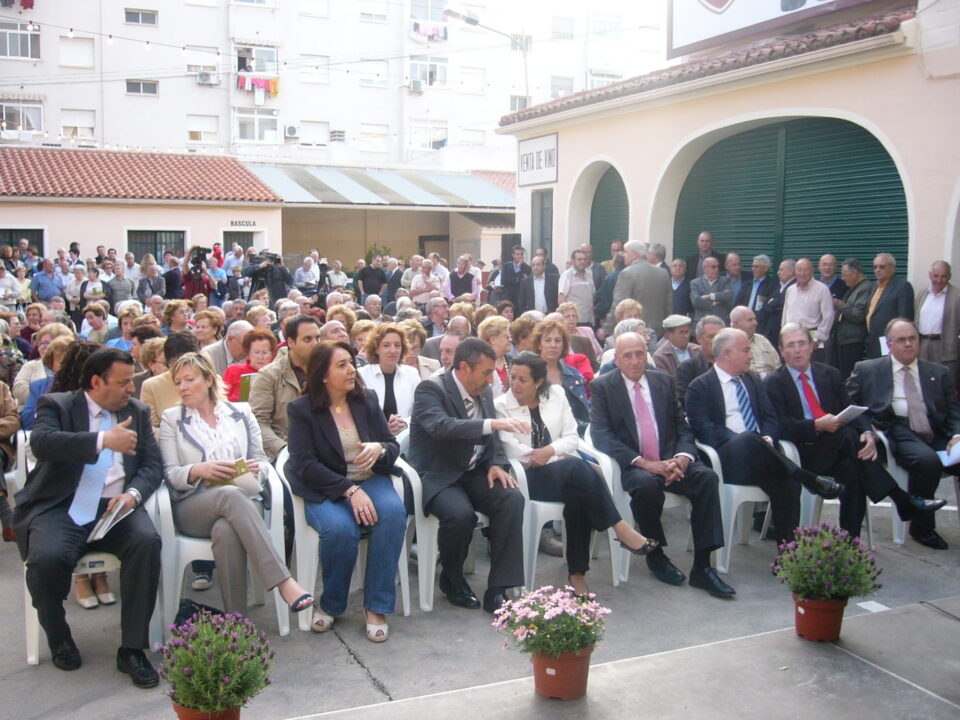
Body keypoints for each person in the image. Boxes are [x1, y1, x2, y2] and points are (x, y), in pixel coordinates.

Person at [14, 348, 162, 686]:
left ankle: (133, 649)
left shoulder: (137, 411)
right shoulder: (59, 405)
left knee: (147, 542)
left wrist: (133, 495)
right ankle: (59, 636)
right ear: (97, 381)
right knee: (46, 559)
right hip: (63, 506)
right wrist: (103, 440)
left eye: (132, 382)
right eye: (123, 382)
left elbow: (153, 466)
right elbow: (43, 443)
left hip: (116, 507)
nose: (131, 389)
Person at [158, 352, 314, 618]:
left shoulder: (240, 413)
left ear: (209, 380)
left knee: (226, 530)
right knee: (228, 495)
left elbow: (263, 462)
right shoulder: (172, 419)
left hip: (243, 503)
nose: (182, 387)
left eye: (189, 379)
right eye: (178, 381)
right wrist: (198, 470)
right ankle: (283, 581)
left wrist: (255, 470)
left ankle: (236, 623)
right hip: (193, 505)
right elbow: (170, 474)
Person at [495, 351, 656, 595]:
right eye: (513, 377)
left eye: (522, 380)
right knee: (580, 470)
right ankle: (620, 529)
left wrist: (549, 450)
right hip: (529, 476)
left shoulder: (556, 395)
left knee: (579, 493)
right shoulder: (501, 406)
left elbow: (572, 437)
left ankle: (577, 574)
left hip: (563, 470)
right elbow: (509, 447)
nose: (514, 384)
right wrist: (540, 455)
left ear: (538, 381)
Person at [765, 323, 945, 538]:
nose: (797, 350)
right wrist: (815, 425)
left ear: (812, 346)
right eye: (790, 345)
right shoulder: (773, 383)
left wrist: (868, 433)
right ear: (781, 350)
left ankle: (850, 541)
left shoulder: (829, 374)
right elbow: (779, 426)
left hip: (840, 448)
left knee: (852, 468)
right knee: (849, 438)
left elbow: (852, 409)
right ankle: (901, 499)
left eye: (802, 343)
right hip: (804, 452)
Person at [590, 333, 733, 597]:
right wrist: (645, 464)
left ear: (648, 354)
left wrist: (682, 457)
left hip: (671, 459)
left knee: (707, 479)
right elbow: (601, 435)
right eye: (627, 355)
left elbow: (683, 426)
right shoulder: (603, 387)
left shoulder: (664, 382)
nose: (635, 361)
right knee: (646, 487)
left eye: (640, 354)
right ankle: (655, 554)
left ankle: (703, 566)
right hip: (635, 465)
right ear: (617, 359)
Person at [285, 341, 406, 641]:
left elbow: (392, 447)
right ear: (322, 375)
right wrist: (349, 491)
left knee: (392, 514)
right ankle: (331, 604)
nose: (352, 369)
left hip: (370, 479)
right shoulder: (302, 410)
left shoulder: (367, 400)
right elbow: (304, 464)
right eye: (342, 365)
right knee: (340, 529)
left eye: (351, 362)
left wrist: (380, 447)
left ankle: (377, 606)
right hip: (326, 486)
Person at [685, 328, 844, 545]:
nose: (751, 356)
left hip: (765, 459)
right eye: (746, 350)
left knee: (788, 484)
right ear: (728, 353)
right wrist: (747, 440)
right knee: (749, 438)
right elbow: (705, 430)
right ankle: (807, 477)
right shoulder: (700, 386)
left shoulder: (753, 380)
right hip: (728, 460)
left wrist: (767, 438)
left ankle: (787, 554)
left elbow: (771, 418)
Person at [408, 338, 526, 613]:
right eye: (486, 372)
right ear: (464, 367)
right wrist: (492, 423)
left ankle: (498, 589)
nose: (491, 378)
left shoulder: (483, 390)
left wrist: (496, 462)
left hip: (474, 470)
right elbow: (443, 426)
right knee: (460, 515)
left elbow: (492, 437)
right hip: (439, 474)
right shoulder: (430, 388)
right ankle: (452, 578)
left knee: (511, 499)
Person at [846, 319, 960, 549]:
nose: (908, 344)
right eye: (901, 340)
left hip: (935, 431)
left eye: (912, 339)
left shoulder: (938, 372)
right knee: (927, 461)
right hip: (898, 429)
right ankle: (922, 526)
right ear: (889, 345)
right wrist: (869, 430)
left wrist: (957, 434)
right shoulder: (868, 369)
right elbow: (847, 404)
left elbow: (953, 409)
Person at [250, 315, 322, 461]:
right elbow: (258, 422)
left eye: (318, 338)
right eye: (308, 339)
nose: (315, 344)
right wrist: (284, 450)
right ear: (290, 342)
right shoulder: (269, 375)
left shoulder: (327, 370)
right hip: (286, 451)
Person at [358, 323, 420, 435]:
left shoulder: (412, 374)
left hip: (405, 437)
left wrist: (404, 423)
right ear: (376, 349)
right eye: (386, 345)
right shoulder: (362, 375)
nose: (393, 350)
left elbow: (420, 409)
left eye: (397, 345)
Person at [532, 318, 591, 429]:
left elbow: (585, 409)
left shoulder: (574, 375)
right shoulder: (529, 374)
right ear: (539, 345)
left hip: (577, 431)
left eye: (558, 340)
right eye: (548, 340)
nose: (553, 345)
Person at [608, 240, 672, 336]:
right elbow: (669, 305)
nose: (622, 254)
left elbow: (619, 304)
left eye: (625, 251)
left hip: (634, 331)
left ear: (634, 254)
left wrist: (607, 327)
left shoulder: (627, 273)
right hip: (659, 331)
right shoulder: (663, 273)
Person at [141, 331, 200, 429]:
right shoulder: (151, 386)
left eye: (189, 362)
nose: (184, 367)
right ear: (169, 363)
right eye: (178, 362)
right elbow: (150, 428)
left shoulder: (210, 378)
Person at [915, 260, 960, 388]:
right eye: (936, 276)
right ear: (930, 275)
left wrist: (957, 341)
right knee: (923, 383)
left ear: (949, 276)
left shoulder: (957, 296)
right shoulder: (923, 294)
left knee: (944, 385)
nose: (939, 280)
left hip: (945, 347)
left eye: (943, 276)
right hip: (923, 344)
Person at [782, 258, 834, 362]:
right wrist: (783, 336)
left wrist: (817, 340)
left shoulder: (822, 289)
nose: (802, 273)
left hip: (812, 338)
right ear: (795, 272)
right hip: (791, 337)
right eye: (799, 270)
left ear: (812, 271)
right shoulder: (790, 290)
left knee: (814, 373)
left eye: (806, 270)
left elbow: (828, 317)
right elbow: (785, 314)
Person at [13, 322, 75, 405]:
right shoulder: (31, 365)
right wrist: (45, 400)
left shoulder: (73, 366)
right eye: (40, 343)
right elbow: (18, 389)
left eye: (47, 343)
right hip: (34, 411)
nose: (42, 347)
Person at [833, 258, 872, 379]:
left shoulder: (865, 288)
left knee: (850, 376)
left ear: (855, 273)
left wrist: (841, 305)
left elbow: (859, 315)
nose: (843, 278)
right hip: (844, 339)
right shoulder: (852, 288)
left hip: (853, 341)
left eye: (845, 275)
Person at [222, 328, 277, 402]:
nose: (260, 357)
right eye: (256, 352)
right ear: (248, 353)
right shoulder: (233, 371)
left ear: (272, 354)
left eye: (265, 353)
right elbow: (222, 399)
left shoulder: (276, 373)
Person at [729, 305, 781, 377]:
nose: (755, 323)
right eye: (750, 320)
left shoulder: (762, 340)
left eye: (754, 319)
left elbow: (778, 367)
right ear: (736, 324)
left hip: (770, 383)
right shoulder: (728, 344)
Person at [558, 249, 596, 328]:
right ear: (573, 261)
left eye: (584, 259)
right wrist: (567, 318)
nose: (582, 261)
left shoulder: (589, 274)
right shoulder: (567, 276)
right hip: (575, 321)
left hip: (589, 320)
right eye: (579, 259)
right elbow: (561, 299)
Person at [761, 259, 796, 344]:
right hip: (772, 330)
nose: (777, 273)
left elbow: (779, 303)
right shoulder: (779, 286)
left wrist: (772, 303)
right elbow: (766, 304)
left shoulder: (793, 287)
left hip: (781, 330)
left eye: (781, 269)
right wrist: (771, 304)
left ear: (791, 271)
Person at [690, 256, 733, 324]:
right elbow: (696, 302)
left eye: (717, 267)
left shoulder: (725, 280)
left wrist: (710, 296)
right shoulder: (695, 283)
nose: (717, 269)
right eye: (713, 267)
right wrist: (714, 303)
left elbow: (728, 296)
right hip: (702, 321)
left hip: (721, 321)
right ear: (704, 269)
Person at [477, 316, 512, 397]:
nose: (510, 340)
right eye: (507, 337)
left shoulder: (512, 361)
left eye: (510, 337)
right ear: (493, 340)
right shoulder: (479, 364)